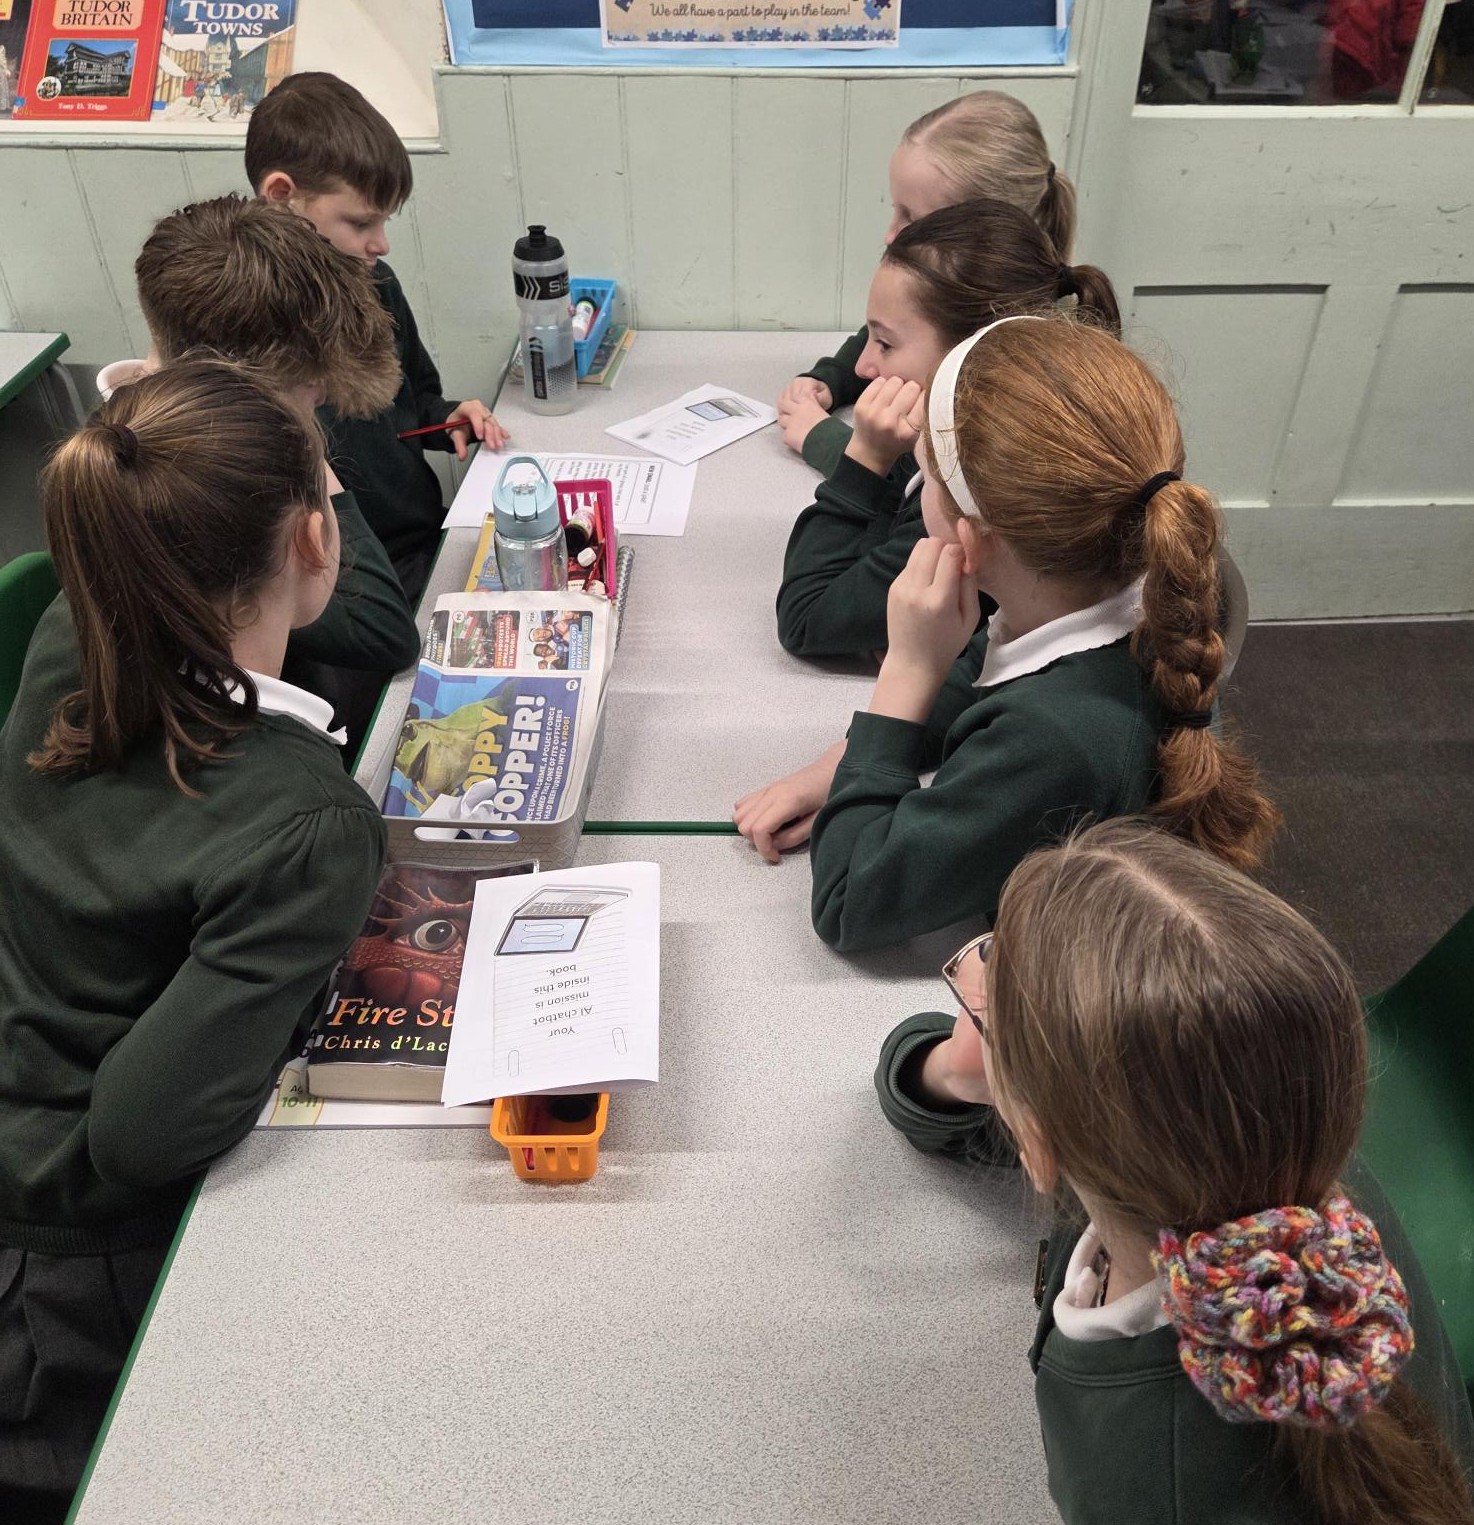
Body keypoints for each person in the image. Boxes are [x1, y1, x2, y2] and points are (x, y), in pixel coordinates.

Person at [0, 361, 388, 1520]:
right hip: (79, 1282)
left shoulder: (68, 633)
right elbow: (140, 1135)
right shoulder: (307, 822)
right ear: (315, 538)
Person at [875, 819, 1474, 1525]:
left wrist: (966, 1067)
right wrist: (948, 1073)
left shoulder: (1141, 1481)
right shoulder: (1268, 1142)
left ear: (1036, 1143)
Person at [735, 315, 1279, 951]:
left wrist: (907, 673)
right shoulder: (1118, 578)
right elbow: (985, 663)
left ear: (970, 539)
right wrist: (843, 765)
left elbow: (851, 900)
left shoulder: (1052, 738)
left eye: (925, 474)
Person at [97, 194, 423, 746]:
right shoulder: (187, 485)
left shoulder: (131, 434)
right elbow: (385, 630)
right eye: (310, 396)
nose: (317, 409)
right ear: (250, 391)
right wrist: (298, 441)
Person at [776, 197, 1120, 661]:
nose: (863, 367)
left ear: (971, 351)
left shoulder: (966, 494)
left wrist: (865, 460)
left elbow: (806, 617)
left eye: (885, 343)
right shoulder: (977, 431)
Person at [245, 71, 509, 606]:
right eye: (361, 223)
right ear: (281, 196)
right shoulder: (245, 331)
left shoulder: (377, 285)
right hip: (342, 585)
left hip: (426, 543)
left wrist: (447, 418)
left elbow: (414, 401)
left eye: (384, 222)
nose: (381, 244)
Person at [777, 90, 1076, 476]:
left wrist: (824, 439)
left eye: (912, 218)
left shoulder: (1020, 377)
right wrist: (833, 379)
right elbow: (886, 338)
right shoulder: (987, 300)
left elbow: (928, 481)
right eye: (895, 209)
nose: (891, 235)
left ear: (989, 232)